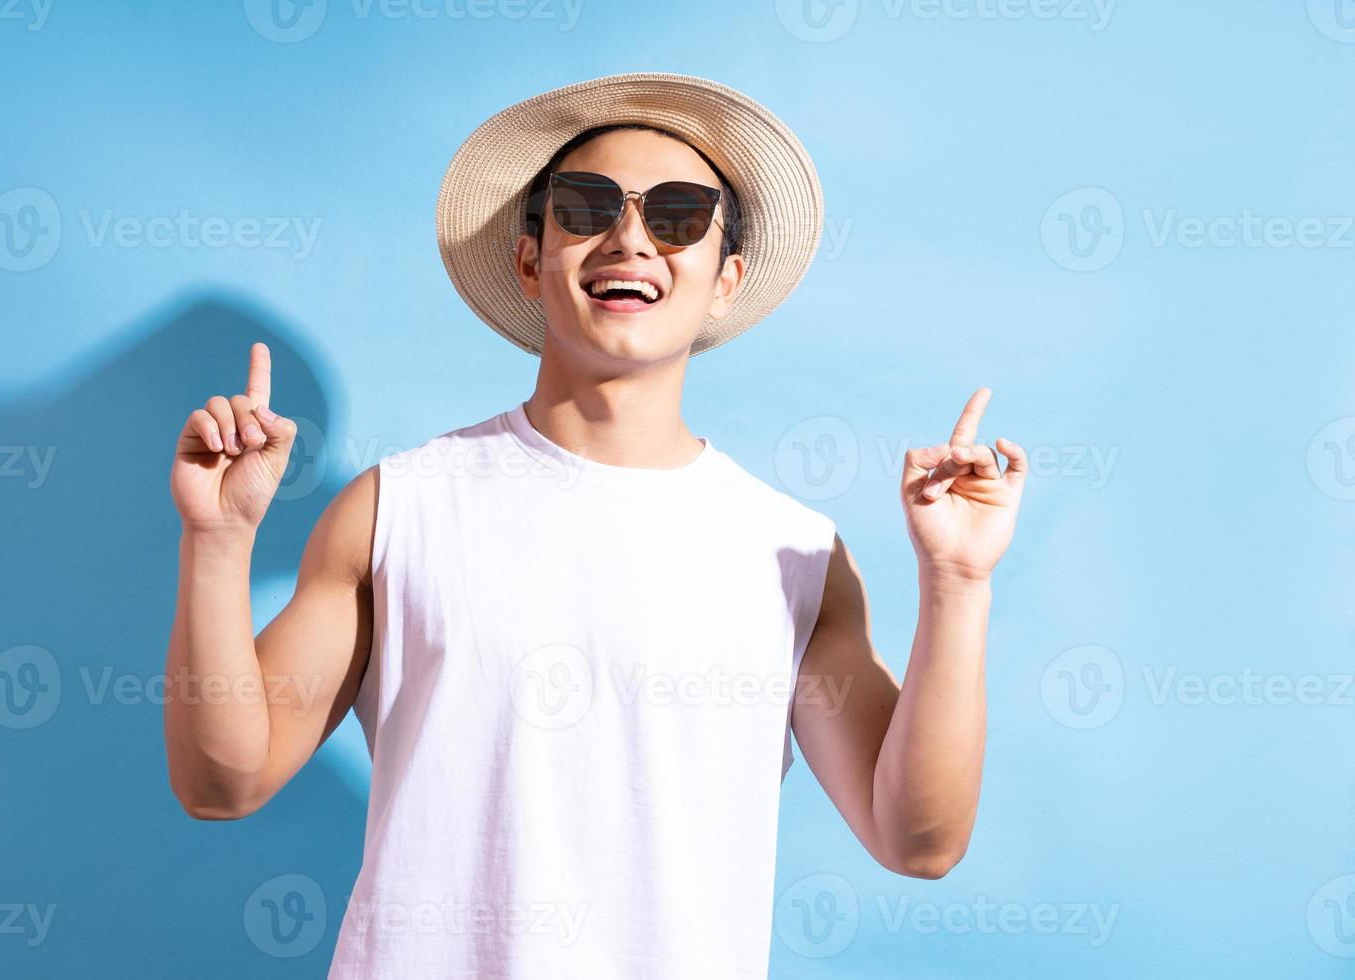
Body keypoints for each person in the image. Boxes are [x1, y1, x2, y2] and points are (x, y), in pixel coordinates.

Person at [163, 72, 1029, 979]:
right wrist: (217, 546)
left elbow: (918, 841)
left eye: (680, 216)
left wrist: (959, 585)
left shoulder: (794, 554)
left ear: (726, 279)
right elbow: (222, 781)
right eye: (585, 209)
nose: (629, 240)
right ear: (531, 259)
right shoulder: (399, 509)